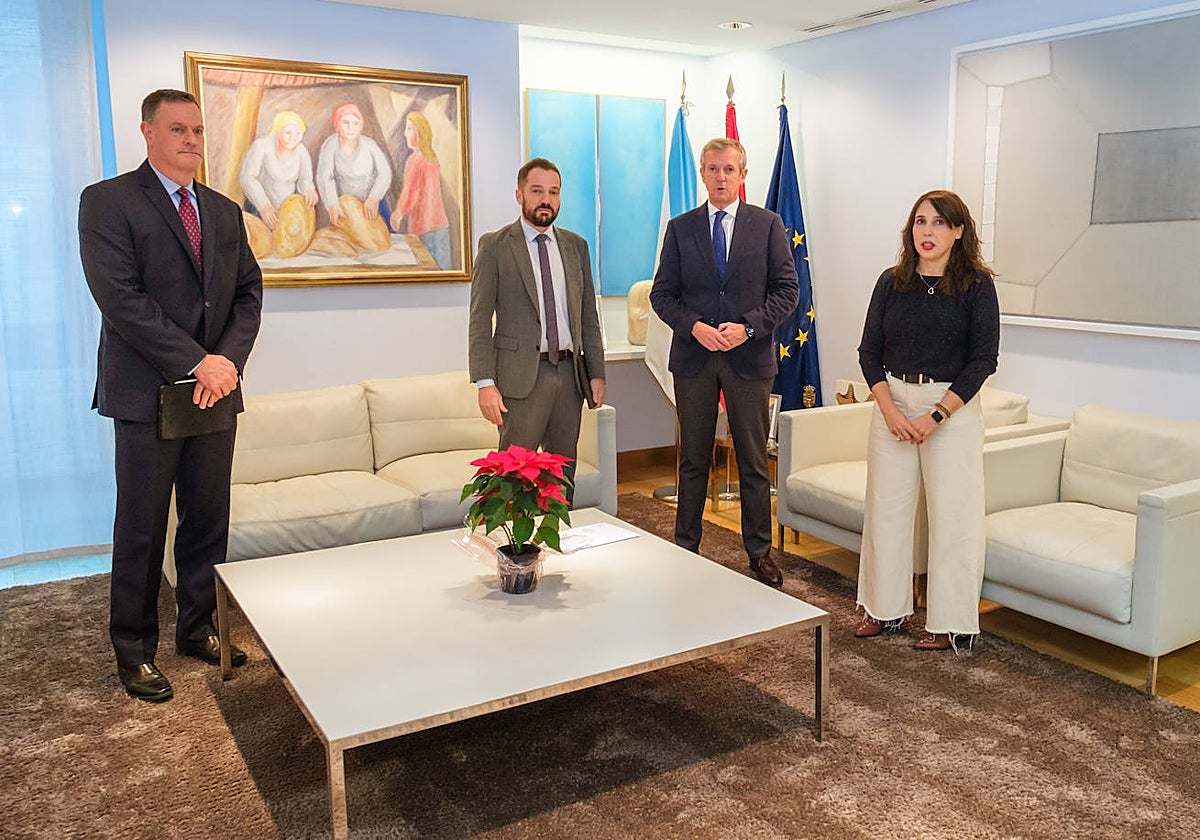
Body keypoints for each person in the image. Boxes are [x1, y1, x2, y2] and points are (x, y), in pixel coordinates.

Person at [78, 89, 264, 702]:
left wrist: (226, 364)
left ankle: (198, 629)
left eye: (197, 130)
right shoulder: (107, 202)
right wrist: (197, 361)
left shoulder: (223, 209)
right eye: (178, 129)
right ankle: (133, 650)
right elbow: (121, 300)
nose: (191, 139)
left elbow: (247, 294)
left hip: (215, 393)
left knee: (208, 523)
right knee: (142, 527)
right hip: (146, 394)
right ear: (148, 133)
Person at [854, 189, 999, 652]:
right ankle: (884, 610)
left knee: (954, 517)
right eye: (920, 222)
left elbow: (983, 360)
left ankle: (949, 622)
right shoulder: (890, 282)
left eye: (939, 223)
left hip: (950, 408)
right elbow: (868, 352)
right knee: (886, 511)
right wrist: (892, 410)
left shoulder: (977, 286)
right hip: (892, 403)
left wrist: (936, 414)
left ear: (959, 231)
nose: (927, 232)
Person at [649, 138, 799, 587]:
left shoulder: (767, 225)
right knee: (693, 459)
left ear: (742, 174)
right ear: (702, 173)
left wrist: (749, 327)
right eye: (713, 169)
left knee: (753, 460)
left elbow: (788, 292)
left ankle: (758, 554)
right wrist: (693, 326)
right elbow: (662, 294)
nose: (720, 177)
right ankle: (686, 547)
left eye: (729, 169)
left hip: (747, 358)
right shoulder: (681, 228)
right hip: (694, 357)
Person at [467, 158, 606, 496]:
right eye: (537, 191)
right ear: (520, 195)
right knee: (513, 479)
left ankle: (559, 545)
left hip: (569, 378)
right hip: (520, 380)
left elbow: (589, 315)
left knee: (562, 477)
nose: (546, 199)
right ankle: (512, 547)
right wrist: (485, 383)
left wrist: (597, 373)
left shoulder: (576, 246)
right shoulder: (496, 246)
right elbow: (479, 319)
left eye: (554, 192)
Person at [389, 111, 452, 269]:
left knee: (427, 272)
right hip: (441, 225)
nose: (405, 133)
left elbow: (411, 192)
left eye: (409, 128)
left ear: (420, 132)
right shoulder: (432, 158)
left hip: (423, 227)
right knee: (444, 271)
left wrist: (398, 214)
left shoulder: (414, 160)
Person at [315, 102, 393, 227]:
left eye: (355, 123)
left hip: (372, 205)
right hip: (346, 207)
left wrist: (374, 197)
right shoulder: (330, 145)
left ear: (361, 126)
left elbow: (385, 173)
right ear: (337, 125)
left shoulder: (370, 145)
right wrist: (332, 204)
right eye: (345, 123)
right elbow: (325, 177)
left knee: (382, 242)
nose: (350, 128)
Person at [238, 109, 318, 229]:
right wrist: (263, 206)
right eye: (288, 133)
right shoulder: (262, 146)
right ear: (278, 131)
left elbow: (305, 179)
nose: (293, 138)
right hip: (259, 207)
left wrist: (308, 189)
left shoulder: (301, 151)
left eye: (298, 133)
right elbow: (248, 177)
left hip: (287, 210)